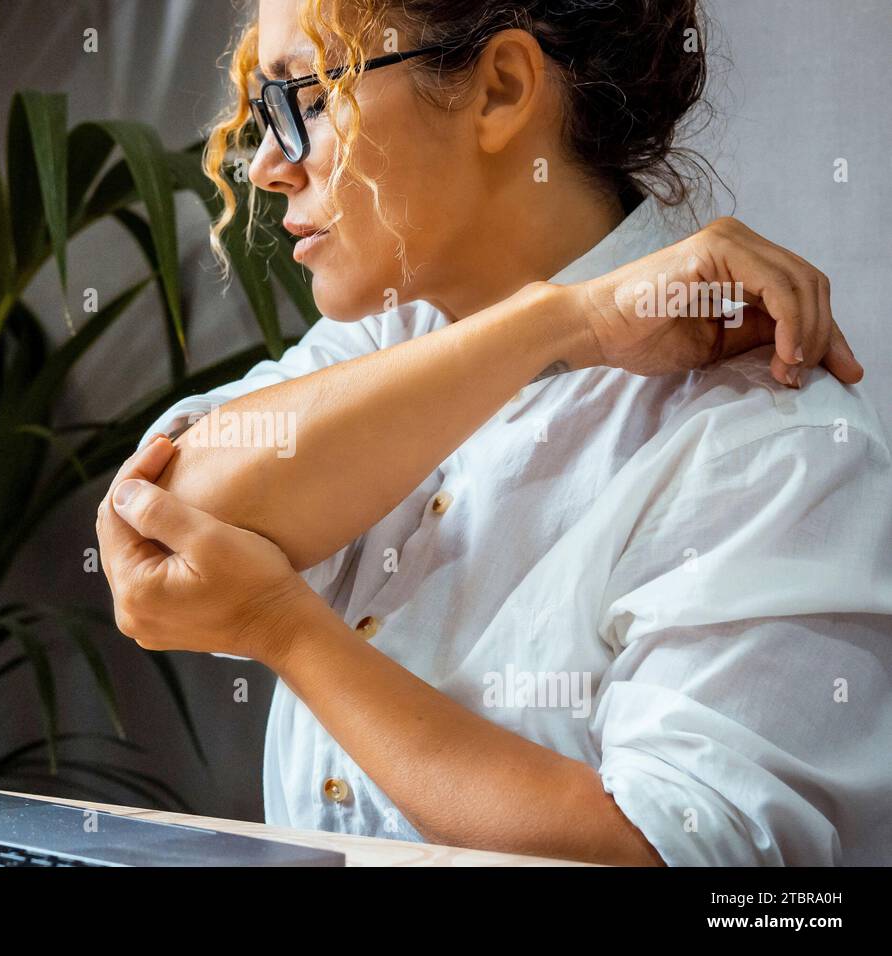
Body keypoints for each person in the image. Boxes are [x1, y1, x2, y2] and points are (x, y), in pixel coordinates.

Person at [95, 0, 891, 865]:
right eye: (268, 106)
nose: (271, 165)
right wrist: (563, 326)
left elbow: (679, 860)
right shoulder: (390, 334)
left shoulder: (766, 438)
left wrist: (289, 631)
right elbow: (159, 522)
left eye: (311, 99)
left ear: (501, 90)